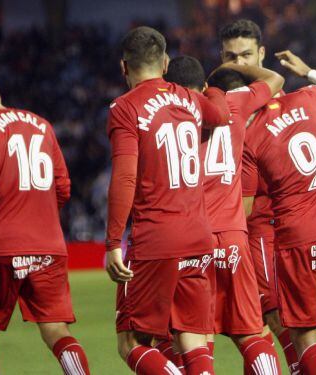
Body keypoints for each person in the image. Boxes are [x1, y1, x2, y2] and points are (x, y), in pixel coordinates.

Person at [104, 27, 230, 375]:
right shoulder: (190, 99)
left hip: (157, 238)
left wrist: (114, 241)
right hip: (198, 235)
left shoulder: (125, 108)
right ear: (165, 62)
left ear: (123, 67)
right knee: (191, 335)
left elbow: (126, 177)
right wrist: (214, 88)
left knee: (131, 342)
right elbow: (220, 115)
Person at [0, 67, 90, 375]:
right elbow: (63, 187)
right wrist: (38, 218)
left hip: (1, 245)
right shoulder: (42, 125)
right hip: (48, 244)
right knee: (57, 330)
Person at [242, 50, 316, 375]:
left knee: (303, 333)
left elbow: (246, 208)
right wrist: (311, 72)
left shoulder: (251, 135)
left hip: (298, 237)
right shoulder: (310, 97)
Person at [165, 54, 285, 374]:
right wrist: (234, 67)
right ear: (204, 85)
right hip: (233, 236)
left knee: (191, 334)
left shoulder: (168, 117)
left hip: (192, 237)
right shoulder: (234, 105)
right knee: (250, 330)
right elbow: (275, 80)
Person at [217, 18, 291, 370]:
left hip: (267, 223)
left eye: (246, 55)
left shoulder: (284, 104)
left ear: (262, 53)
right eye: (231, 56)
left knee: (273, 317)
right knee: (251, 325)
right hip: (236, 228)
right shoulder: (217, 101)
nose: (239, 64)